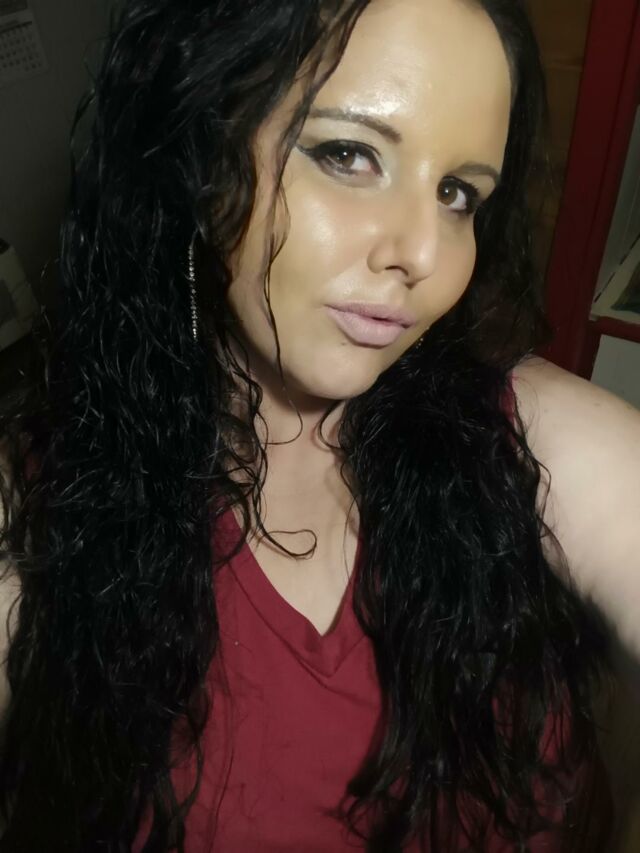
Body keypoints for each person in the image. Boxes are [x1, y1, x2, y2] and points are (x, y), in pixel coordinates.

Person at [0, 0, 638, 849]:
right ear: (201, 154)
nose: (422, 252)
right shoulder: (39, 518)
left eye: (458, 193)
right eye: (348, 154)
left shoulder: (525, 433)